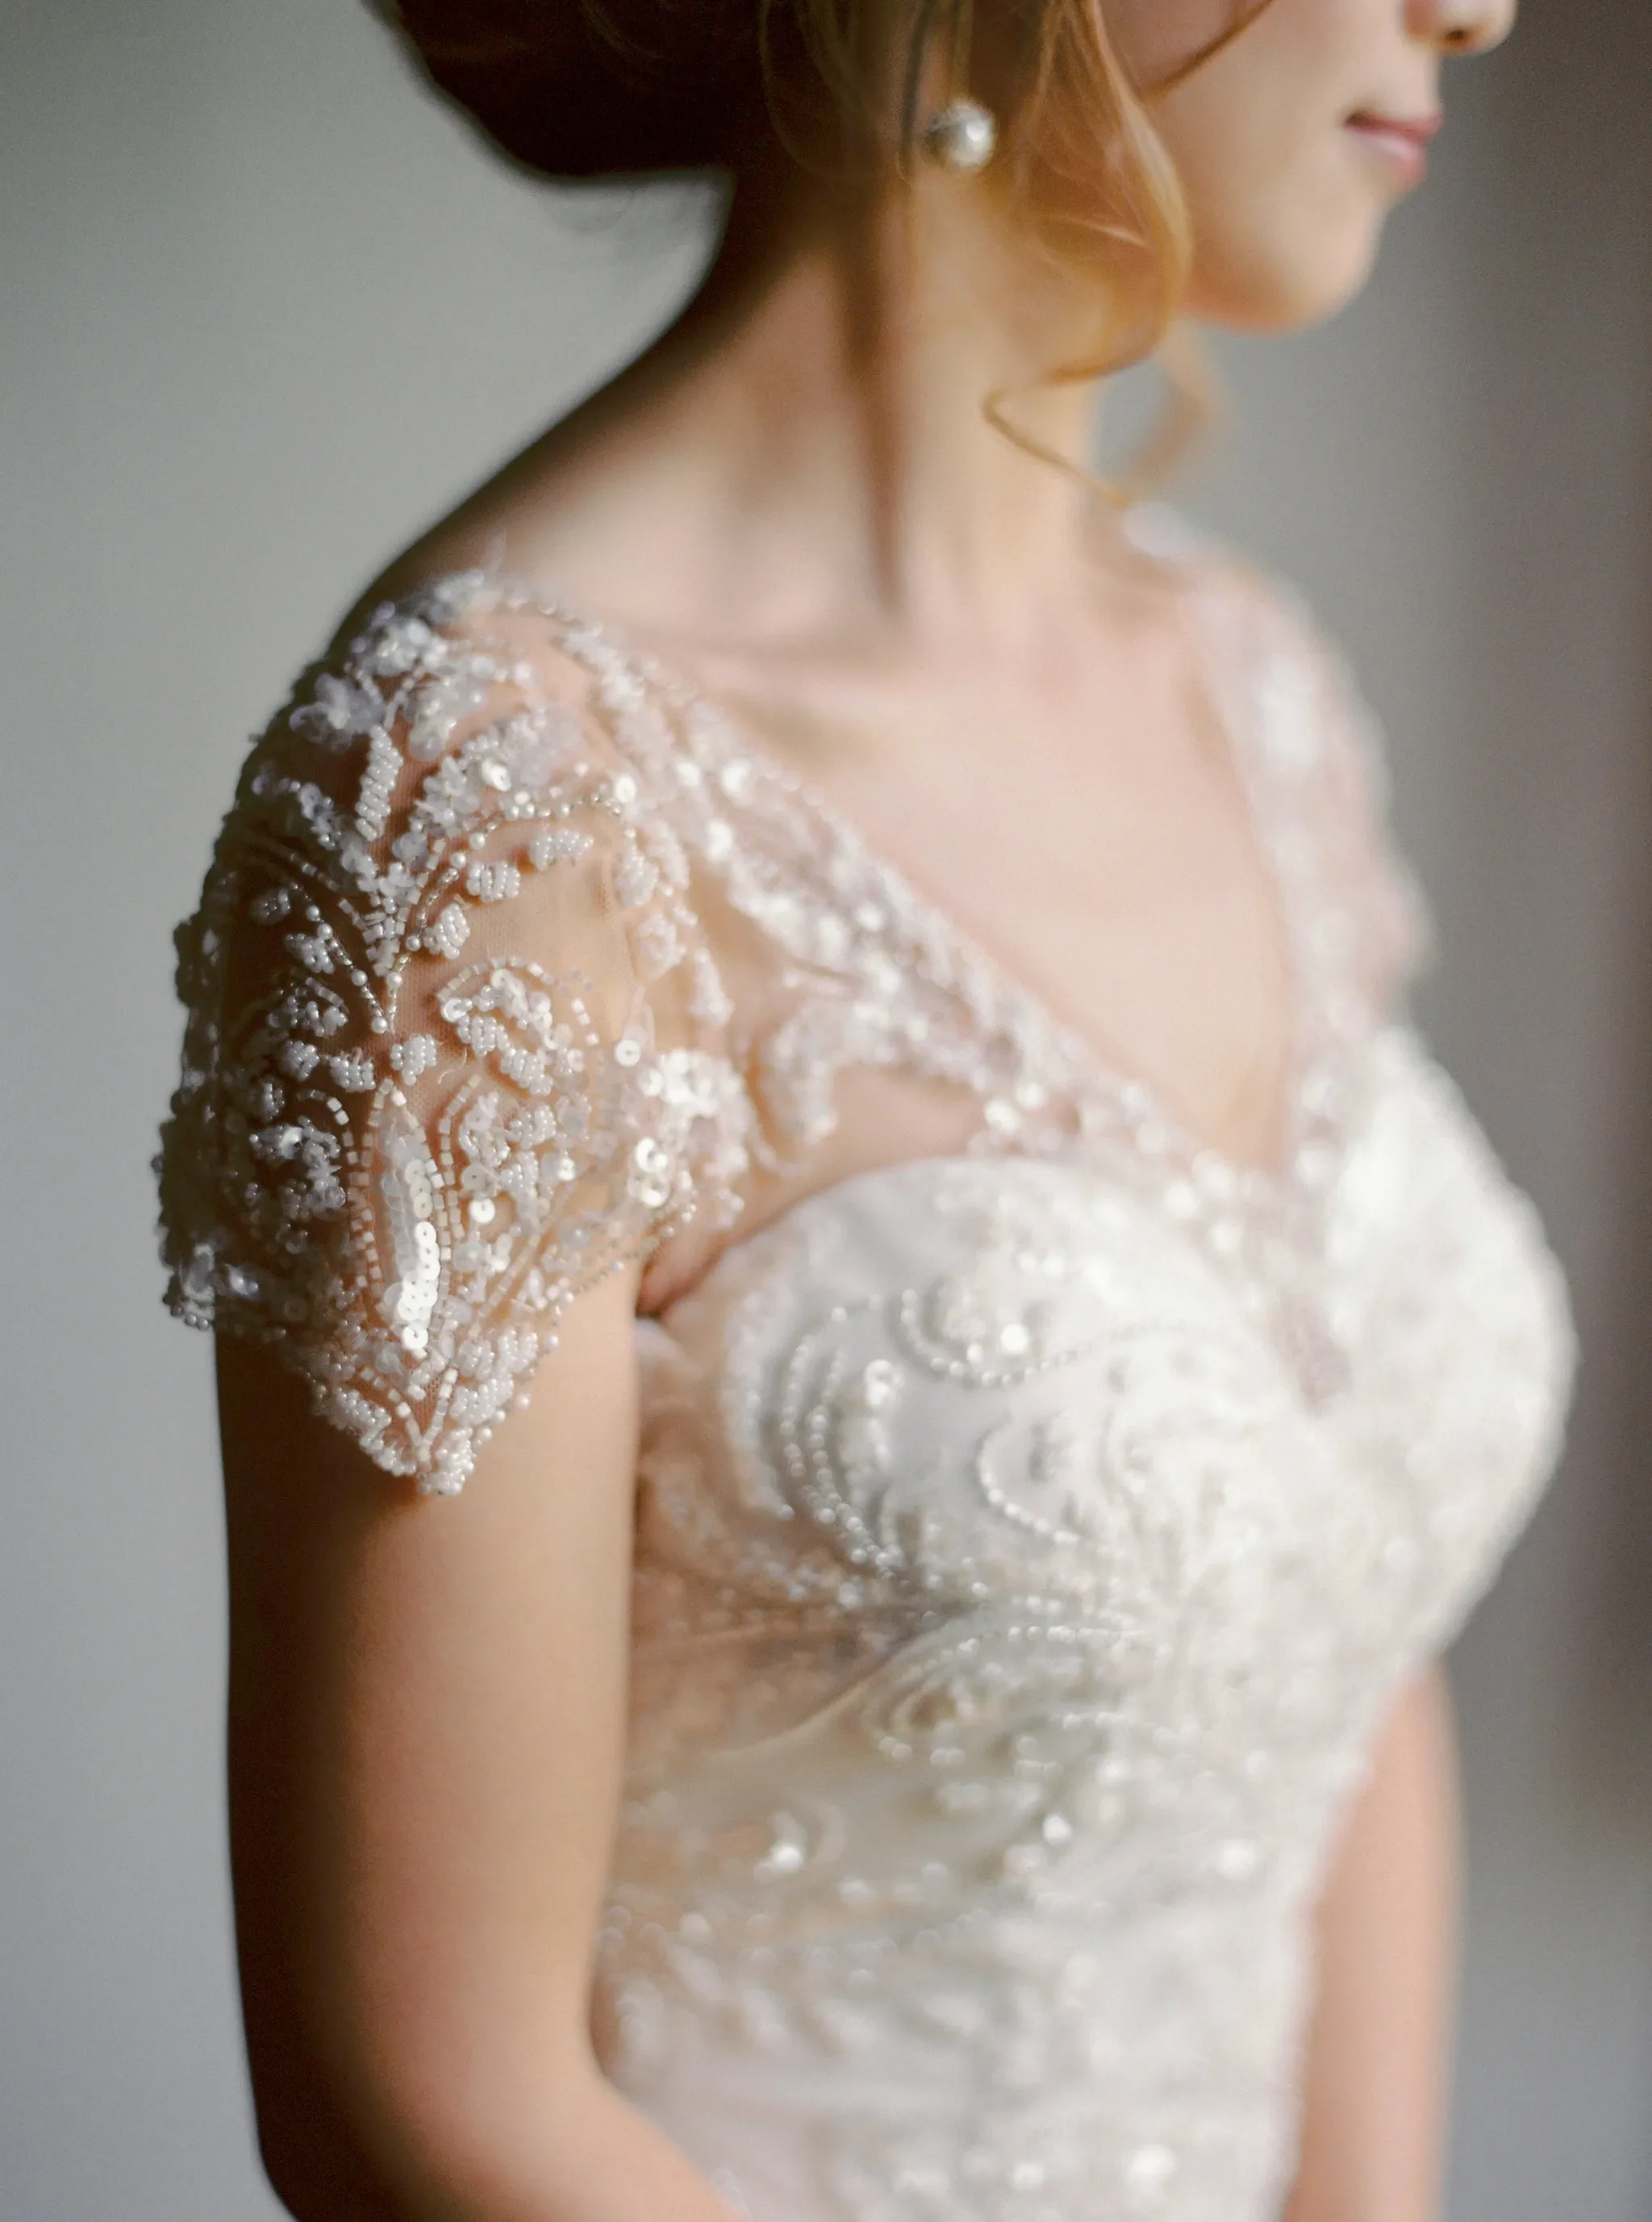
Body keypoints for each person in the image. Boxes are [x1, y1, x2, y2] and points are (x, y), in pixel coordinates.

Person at [156, 2, 1575, 2217]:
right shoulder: (495, 803)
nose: (1483, 5)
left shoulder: (1254, 689)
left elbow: (1342, 1635)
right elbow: (424, 2107)